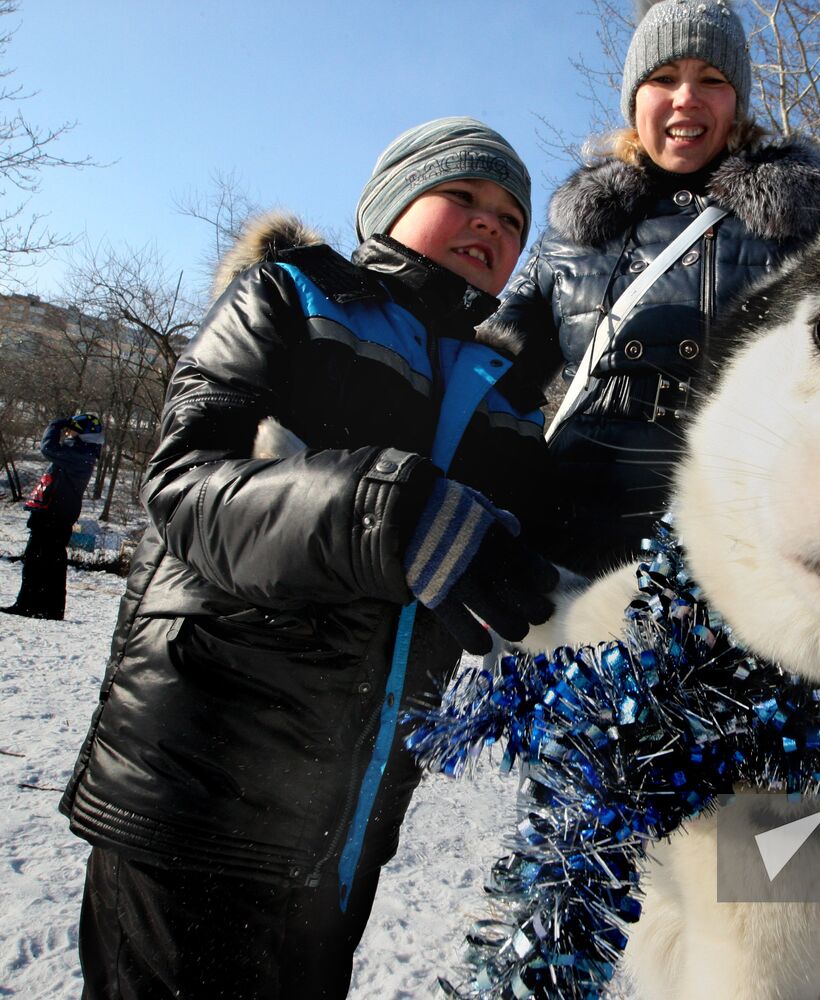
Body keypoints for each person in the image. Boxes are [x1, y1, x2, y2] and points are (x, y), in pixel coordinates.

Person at [60, 117, 562, 1000]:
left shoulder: (505, 394)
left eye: (513, 219)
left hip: (350, 817)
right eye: (463, 197)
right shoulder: (291, 297)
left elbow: (546, 549)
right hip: (195, 787)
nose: (492, 224)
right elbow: (182, 486)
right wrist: (390, 513)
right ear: (390, 205)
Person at [485, 0, 820, 578]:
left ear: (737, 101)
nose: (686, 98)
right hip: (566, 526)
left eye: (712, 80)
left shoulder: (801, 228)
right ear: (634, 98)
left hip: (732, 534)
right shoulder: (573, 236)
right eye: (664, 77)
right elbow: (493, 375)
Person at [3, 412, 104, 621]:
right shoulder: (81, 452)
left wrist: (55, 425)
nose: (69, 433)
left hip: (55, 514)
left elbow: (47, 448)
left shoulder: (80, 455)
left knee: (40, 560)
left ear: (83, 435)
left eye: (74, 431)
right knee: (48, 561)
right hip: (55, 513)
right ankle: (45, 608)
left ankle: (32, 606)